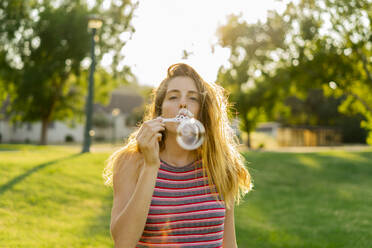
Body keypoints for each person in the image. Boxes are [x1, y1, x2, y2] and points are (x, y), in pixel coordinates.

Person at [103, 63, 253, 247]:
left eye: (193, 98)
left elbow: (229, 243)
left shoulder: (219, 163)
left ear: (201, 112)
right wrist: (151, 166)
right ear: (160, 110)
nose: (183, 103)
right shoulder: (131, 161)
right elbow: (123, 242)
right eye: (173, 97)